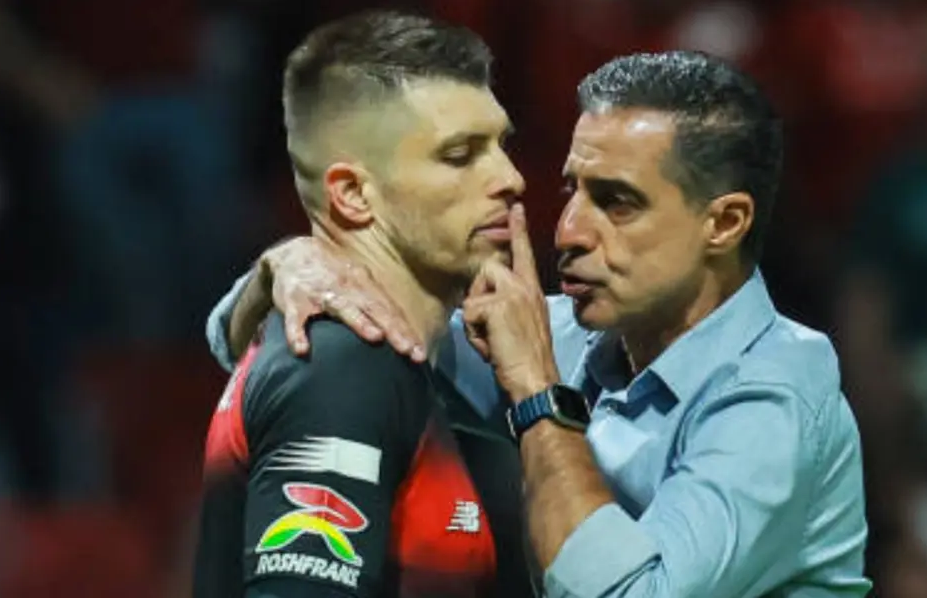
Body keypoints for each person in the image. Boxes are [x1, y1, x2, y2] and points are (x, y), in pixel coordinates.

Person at [209, 51, 871, 596]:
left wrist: (535, 392)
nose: (568, 232)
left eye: (617, 202)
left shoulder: (777, 393)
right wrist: (287, 267)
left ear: (723, 223)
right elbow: (286, 341)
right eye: (571, 190)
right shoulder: (559, 334)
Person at [192, 11, 537, 598]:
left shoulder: (423, 364)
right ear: (352, 194)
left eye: (502, 145)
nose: (510, 178)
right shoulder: (341, 366)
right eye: (460, 155)